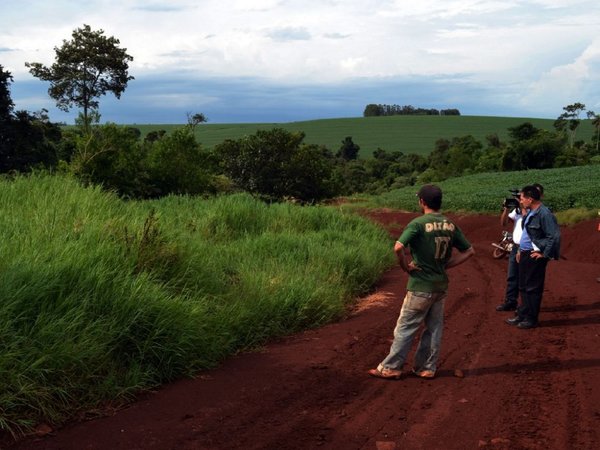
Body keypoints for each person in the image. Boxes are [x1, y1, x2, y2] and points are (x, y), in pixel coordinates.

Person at [368, 184, 475, 380]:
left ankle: (391, 367)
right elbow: (469, 251)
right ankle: (426, 368)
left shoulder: (417, 224)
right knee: (434, 328)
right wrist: (446, 265)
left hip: (420, 286)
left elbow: (398, 247)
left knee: (405, 327)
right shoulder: (450, 224)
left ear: (422, 202)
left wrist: (406, 267)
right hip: (440, 285)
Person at [505, 185, 560, 329]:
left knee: (533, 288)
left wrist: (544, 254)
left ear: (530, 199)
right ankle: (523, 315)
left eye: (522, 198)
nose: (520, 201)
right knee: (523, 286)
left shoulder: (544, 214)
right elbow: (527, 234)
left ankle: (531, 318)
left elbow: (554, 236)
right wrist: (520, 250)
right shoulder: (531, 212)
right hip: (524, 254)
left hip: (534, 256)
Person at [495, 192, 525, 312]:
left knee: (525, 278)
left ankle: (525, 305)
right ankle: (510, 301)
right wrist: (506, 209)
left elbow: (526, 216)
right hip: (515, 246)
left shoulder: (530, 212)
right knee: (512, 276)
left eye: (520, 198)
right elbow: (503, 223)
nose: (518, 200)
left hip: (526, 248)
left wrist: (521, 205)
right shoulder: (517, 212)